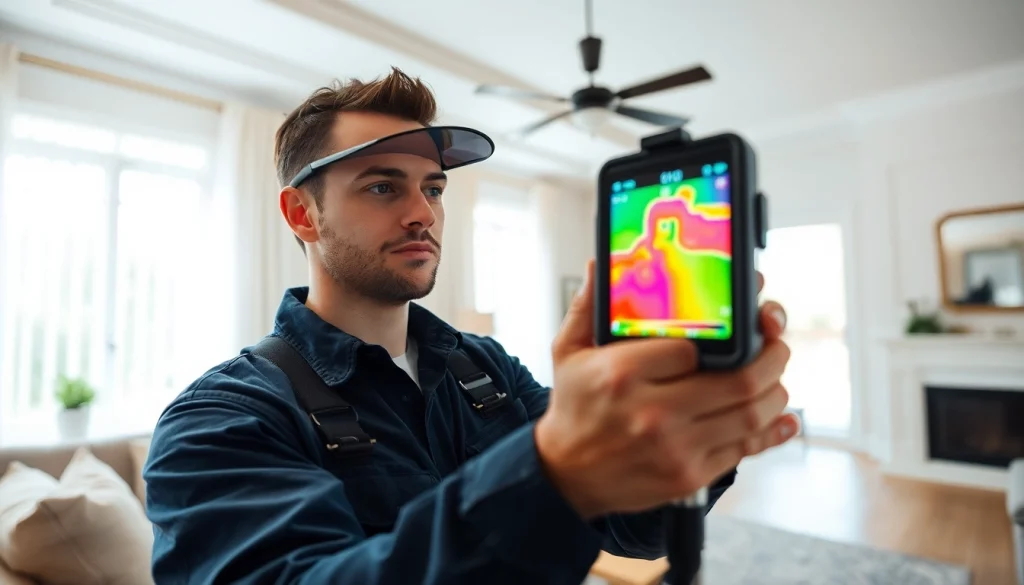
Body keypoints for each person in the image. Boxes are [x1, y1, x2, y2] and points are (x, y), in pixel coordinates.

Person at [144, 67, 799, 585]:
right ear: (302, 214)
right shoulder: (220, 421)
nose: (421, 213)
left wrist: (687, 441)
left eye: (433, 188)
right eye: (382, 187)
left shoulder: (485, 366)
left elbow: (631, 531)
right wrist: (552, 472)